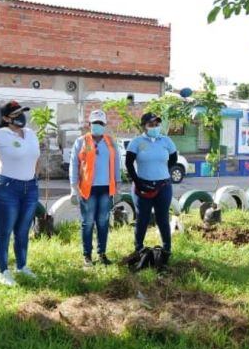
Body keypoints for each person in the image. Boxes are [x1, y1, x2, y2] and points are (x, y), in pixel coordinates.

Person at [0, 101, 41, 286]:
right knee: (3, 231)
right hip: (6, 188)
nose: (21, 116)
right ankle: (3, 271)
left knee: (22, 231)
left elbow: (36, 157)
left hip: (30, 189)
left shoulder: (31, 134)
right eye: (16, 114)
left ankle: (22, 266)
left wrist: (34, 177)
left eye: (23, 112)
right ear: (5, 118)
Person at [69, 109, 121, 268]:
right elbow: (74, 164)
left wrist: (118, 187)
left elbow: (117, 164)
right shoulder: (81, 141)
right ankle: (87, 256)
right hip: (87, 189)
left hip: (106, 188)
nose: (97, 125)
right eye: (94, 123)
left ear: (104, 125)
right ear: (89, 124)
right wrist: (73, 188)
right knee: (88, 222)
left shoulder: (110, 142)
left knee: (103, 222)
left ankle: (102, 254)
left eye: (100, 123)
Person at [126, 112, 179, 257]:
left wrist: (163, 170)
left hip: (164, 186)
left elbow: (174, 158)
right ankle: (138, 249)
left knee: (162, 217)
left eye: (157, 124)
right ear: (144, 126)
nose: (155, 127)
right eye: (151, 125)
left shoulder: (166, 140)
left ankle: (167, 249)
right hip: (142, 187)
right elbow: (129, 164)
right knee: (142, 218)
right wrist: (138, 182)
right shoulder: (136, 142)